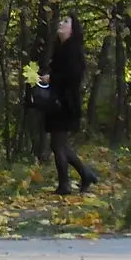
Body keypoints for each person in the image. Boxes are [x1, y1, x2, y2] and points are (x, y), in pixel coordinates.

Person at [39, 14, 98, 195]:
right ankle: (85, 174)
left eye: (66, 22)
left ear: (73, 30)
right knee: (60, 145)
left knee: (58, 145)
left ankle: (65, 184)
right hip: (57, 102)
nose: (61, 23)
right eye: (62, 20)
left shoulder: (73, 50)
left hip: (66, 104)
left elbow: (72, 78)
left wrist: (52, 78)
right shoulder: (61, 49)